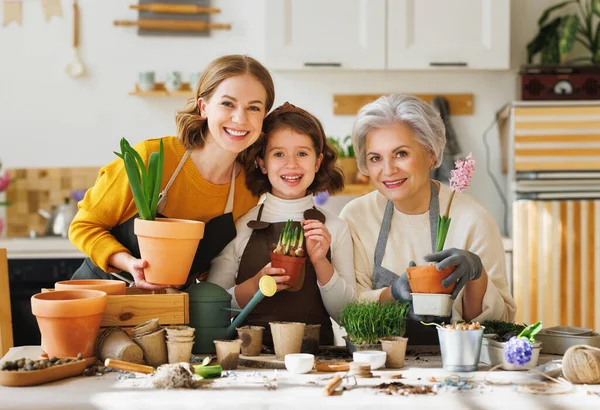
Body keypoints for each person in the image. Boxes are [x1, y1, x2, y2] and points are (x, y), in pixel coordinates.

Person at [69, 55, 275, 289]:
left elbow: (216, 268)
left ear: (263, 118)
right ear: (204, 107)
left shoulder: (247, 189)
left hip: (171, 312)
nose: (240, 118)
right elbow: (83, 225)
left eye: (254, 108)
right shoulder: (151, 157)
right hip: (98, 297)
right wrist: (129, 263)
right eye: (228, 104)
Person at [339, 94, 515, 344]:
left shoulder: (473, 220)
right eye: (375, 158)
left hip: (455, 364)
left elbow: (503, 323)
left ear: (431, 154)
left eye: (401, 154)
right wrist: (393, 294)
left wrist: (477, 276)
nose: (388, 170)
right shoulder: (356, 217)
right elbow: (348, 307)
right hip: (378, 364)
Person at [207, 102, 357, 345]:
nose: (291, 164)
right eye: (278, 154)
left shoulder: (336, 228)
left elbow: (348, 317)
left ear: (317, 162)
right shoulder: (239, 226)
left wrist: (321, 263)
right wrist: (255, 285)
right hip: (248, 359)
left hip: (316, 363)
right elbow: (213, 307)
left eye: (302, 153)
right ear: (262, 163)